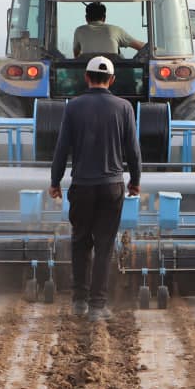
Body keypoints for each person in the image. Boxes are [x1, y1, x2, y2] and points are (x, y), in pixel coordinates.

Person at [49, 55, 141, 321]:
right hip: (112, 187)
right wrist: (135, 180)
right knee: (104, 246)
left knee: (80, 243)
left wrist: (55, 182)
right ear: (112, 79)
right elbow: (133, 151)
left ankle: (79, 301)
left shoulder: (74, 107)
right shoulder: (124, 107)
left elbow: (61, 149)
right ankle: (98, 307)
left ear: (86, 77)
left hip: (83, 187)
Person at [72, 2, 146, 57]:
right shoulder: (115, 30)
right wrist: (154, 49)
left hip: (87, 74)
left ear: (86, 18)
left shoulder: (79, 31)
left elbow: (76, 55)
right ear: (104, 17)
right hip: (113, 74)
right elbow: (141, 46)